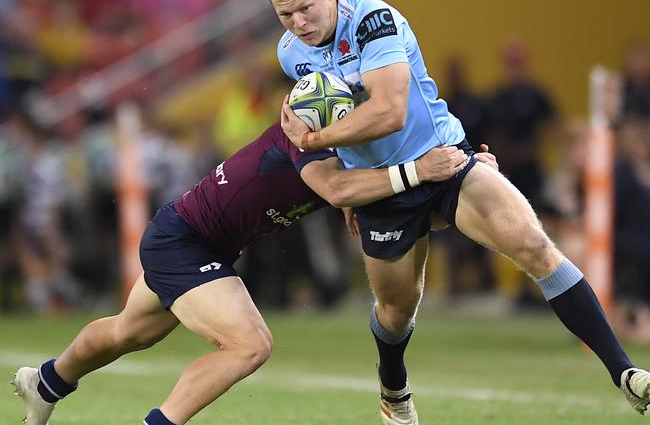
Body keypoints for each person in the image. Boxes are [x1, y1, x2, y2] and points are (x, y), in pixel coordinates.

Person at [260, 0, 650, 424]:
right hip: (383, 190)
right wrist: (345, 179)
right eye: (285, 15)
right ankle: (393, 389)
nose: (298, 22)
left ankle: (627, 374)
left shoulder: (372, 22)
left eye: (305, 7)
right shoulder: (289, 54)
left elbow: (389, 111)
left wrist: (315, 138)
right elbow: (337, 110)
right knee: (396, 310)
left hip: (443, 162)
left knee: (534, 245)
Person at [12, 121, 495, 425]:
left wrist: (465, 175)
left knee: (128, 332)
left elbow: (391, 208)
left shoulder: (337, 150)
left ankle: (47, 382)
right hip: (184, 241)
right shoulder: (306, 135)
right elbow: (347, 191)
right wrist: (422, 173)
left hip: (194, 238)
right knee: (250, 344)